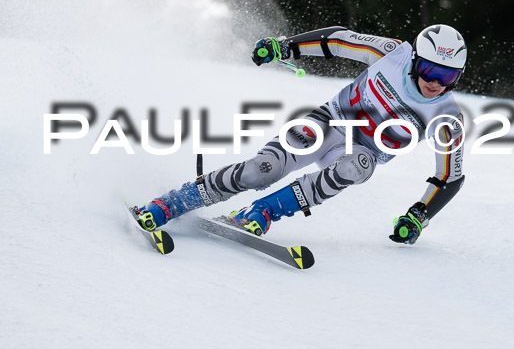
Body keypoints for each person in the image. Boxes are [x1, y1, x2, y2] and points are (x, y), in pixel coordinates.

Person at [137, 25, 467, 244]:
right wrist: (284, 48)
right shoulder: (392, 54)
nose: (436, 82)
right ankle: (171, 203)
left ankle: (263, 212)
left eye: (448, 76)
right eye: (430, 70)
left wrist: (419, 215)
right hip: (327, 123)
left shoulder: (447, 117)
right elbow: (338, 40)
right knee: (260, 170)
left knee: (357, 166)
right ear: (414, 60)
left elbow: (449, 177)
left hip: (357, 152)